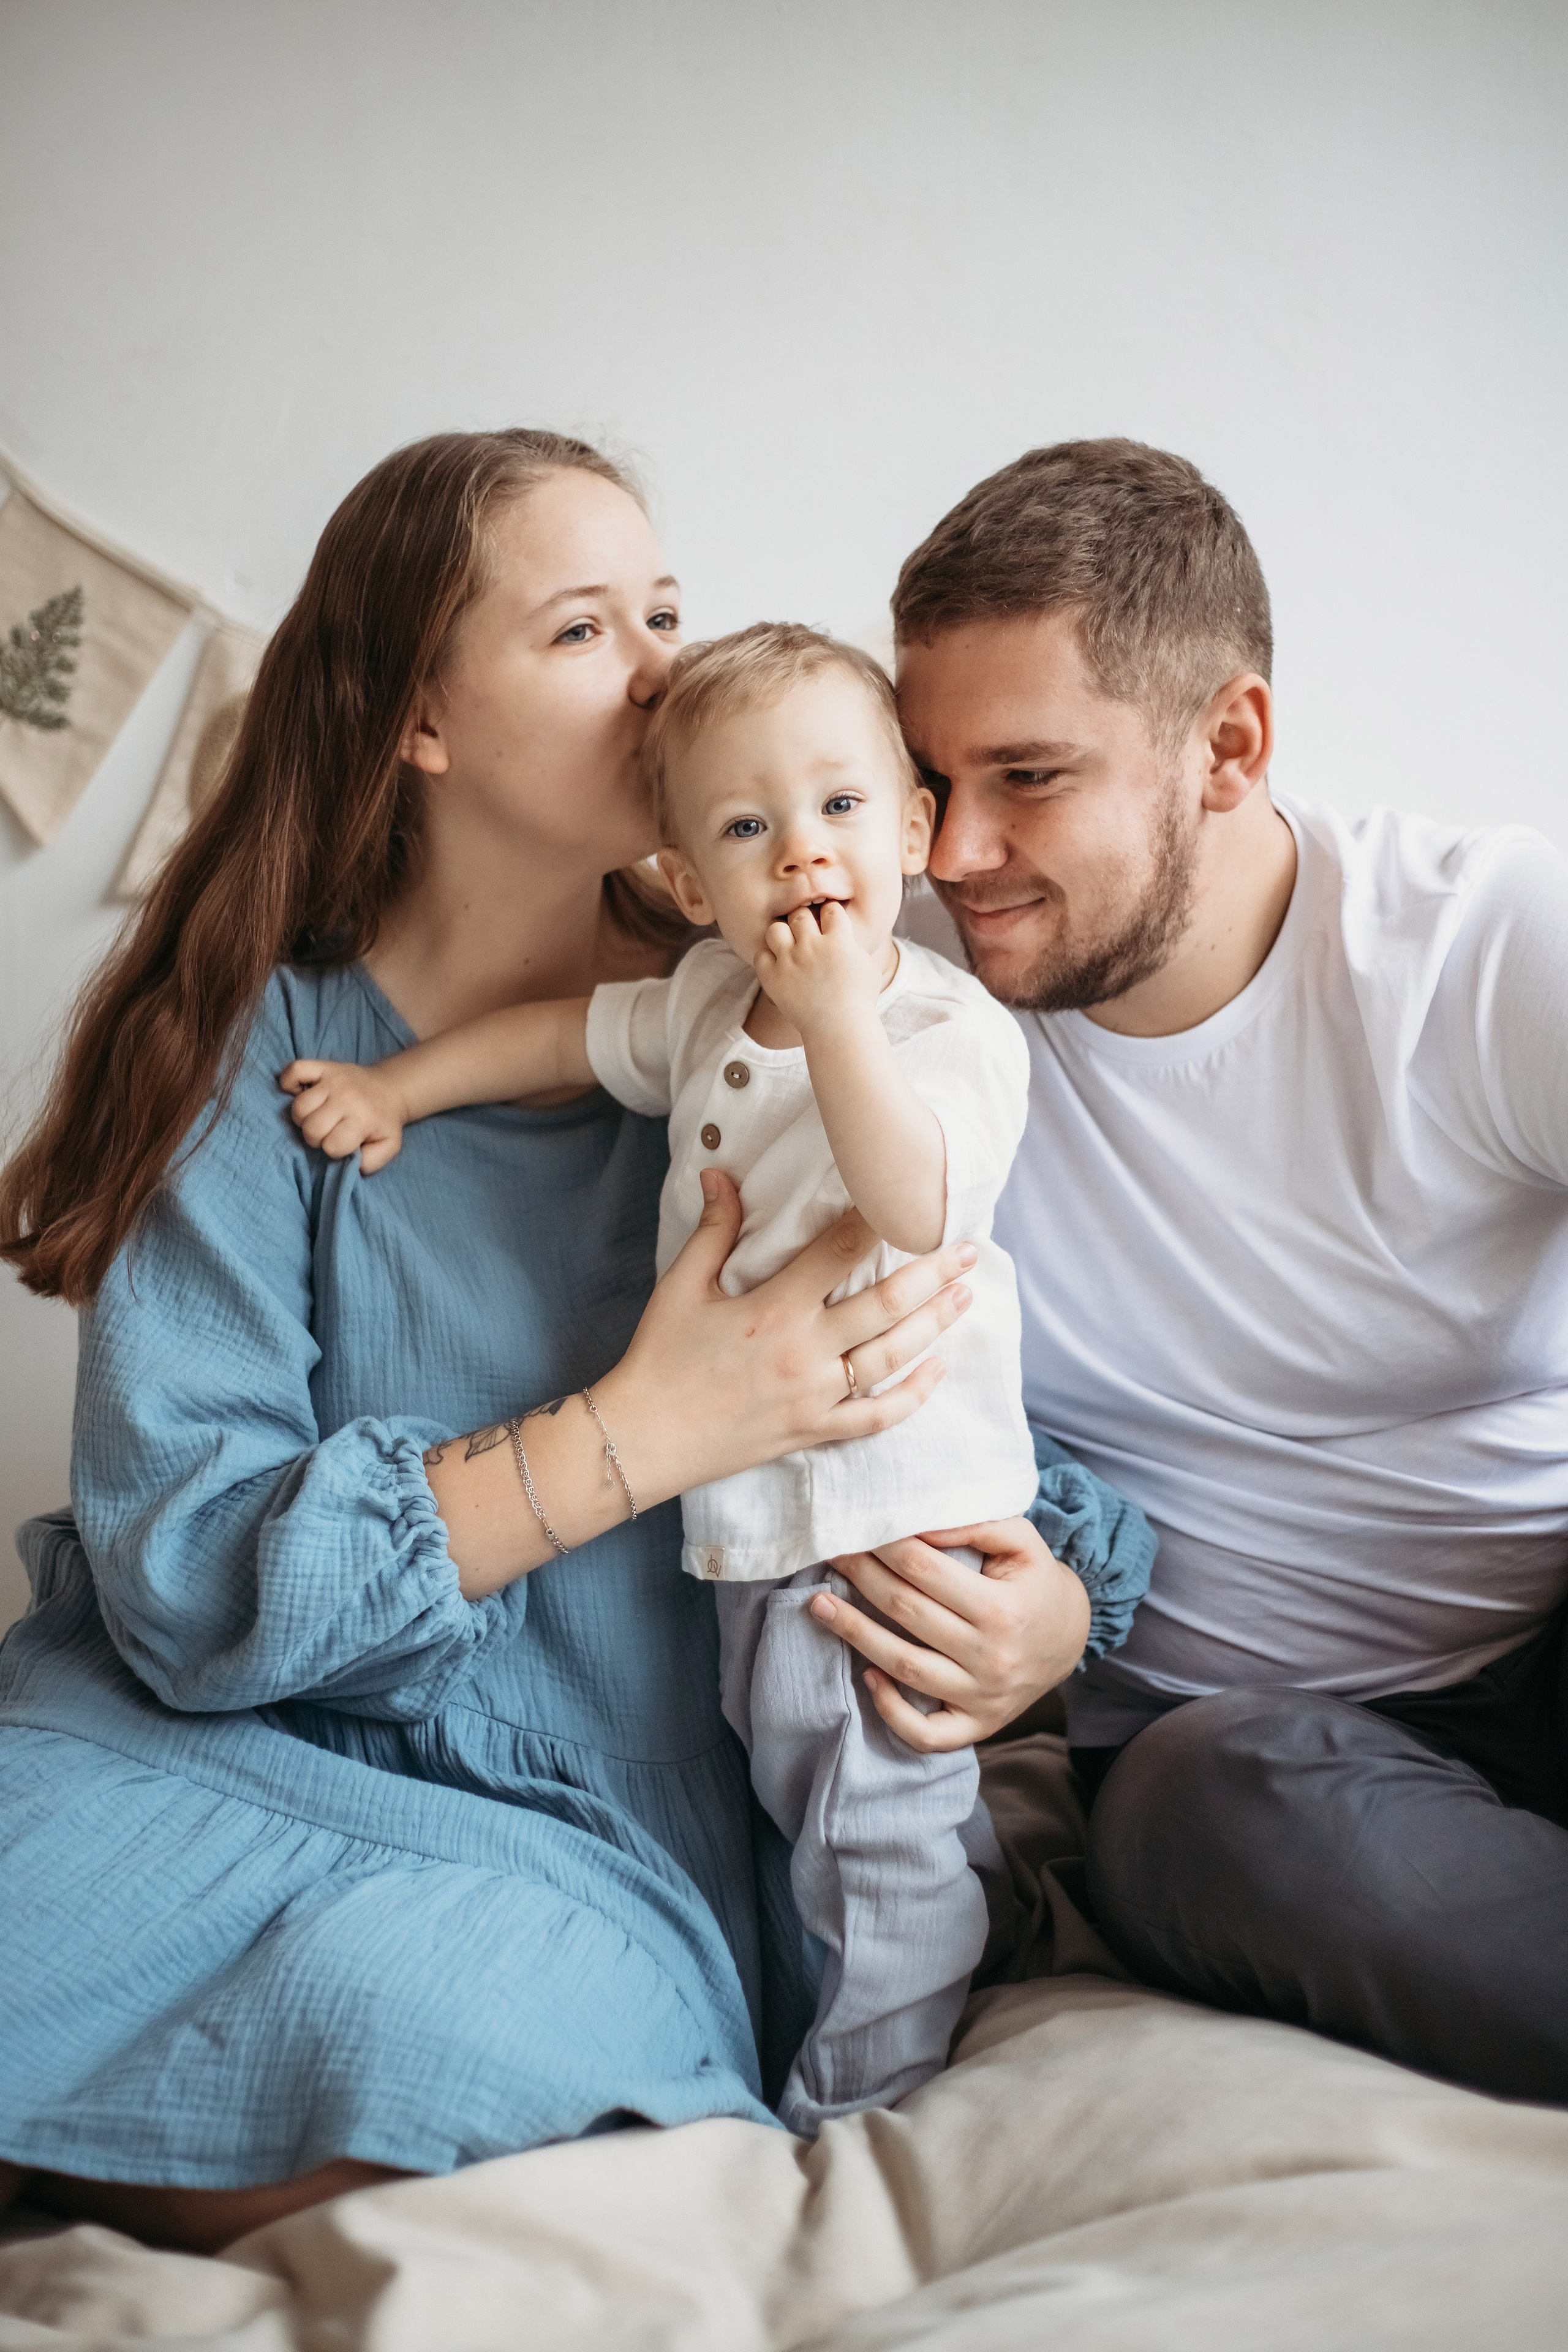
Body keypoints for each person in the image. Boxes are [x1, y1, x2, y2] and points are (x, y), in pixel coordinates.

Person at [0, 429, 1096, 2253]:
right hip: (225, 1747)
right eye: (587, 631)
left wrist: (1053, 1615)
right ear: (420, 721)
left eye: (668, 610)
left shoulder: (795, 1028)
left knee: (488, 2048)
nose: (673, 670)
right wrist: (641, 1432)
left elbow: (971, 1368)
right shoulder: (268, 1062)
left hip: (575, 1830)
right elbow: (188, 1579)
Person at [270, 620, 1052, 2136]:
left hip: (886, 1529)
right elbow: (563, 1040)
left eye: (838, 809)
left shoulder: (941, 1024)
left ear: (909, 828)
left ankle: (873, 2111)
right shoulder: (701, 995)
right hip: (744, 1531)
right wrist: (397, 1087)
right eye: (749, 828)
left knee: (874, 1834)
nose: (802, 854)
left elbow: (918, 1201)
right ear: (692, 881)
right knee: (799, 1817)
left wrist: (836, 1023)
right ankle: (877, 2001)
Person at [894, 434, 1568, 2102]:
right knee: (1191, 1811)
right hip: (1275, 1762)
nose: (955, 854)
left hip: (1549, 1626)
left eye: (1028, 778)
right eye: (930, 781)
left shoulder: (1472, 950)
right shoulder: (889, 999)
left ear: (1229, 745)